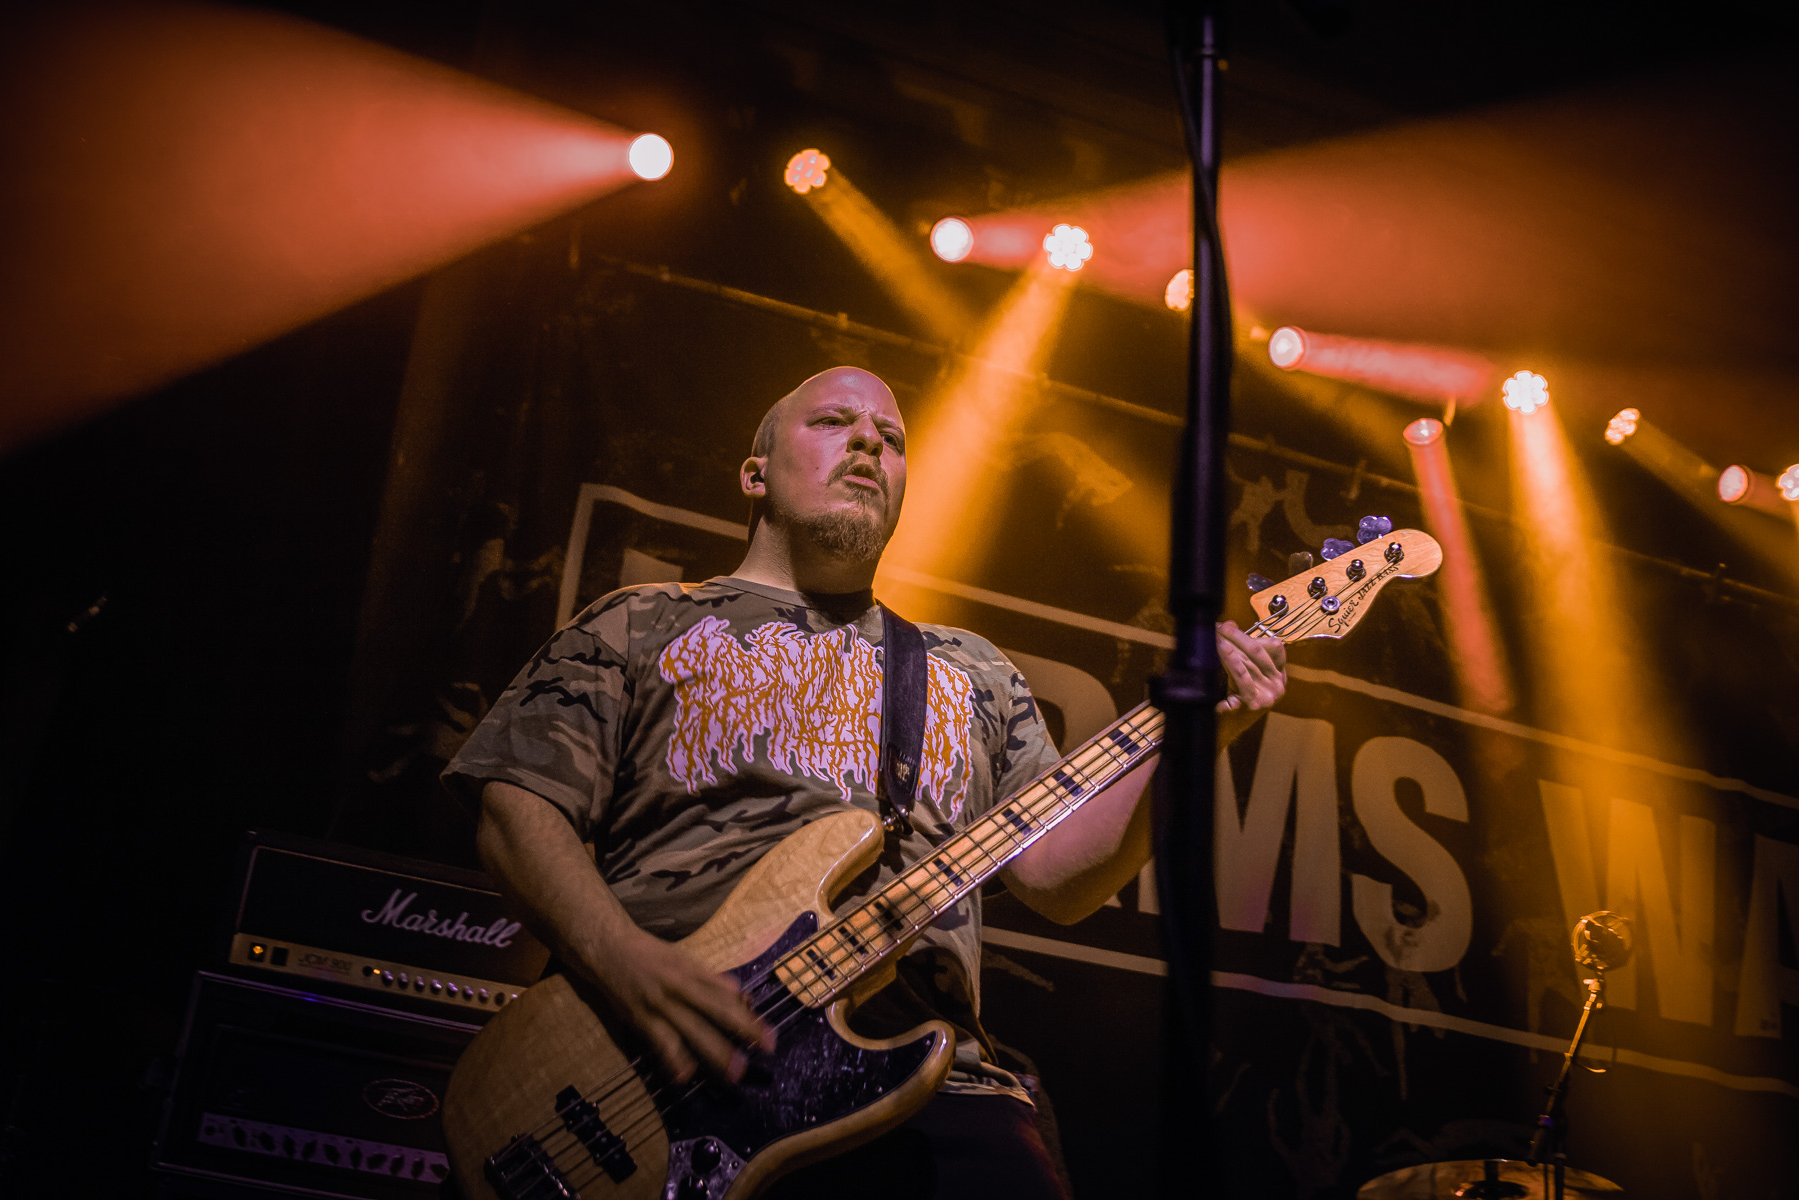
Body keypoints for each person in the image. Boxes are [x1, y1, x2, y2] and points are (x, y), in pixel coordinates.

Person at [444, 366, 1287, 1199]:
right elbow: (515, 810)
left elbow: (1059, 881)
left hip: (924, 1081)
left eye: (891, 439)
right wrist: (627, 962)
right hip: (655, 1062)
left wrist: (1199, 739)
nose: (868, 445)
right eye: (833, 422)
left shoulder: (973, 672)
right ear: (755, 473)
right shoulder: (639, 621)